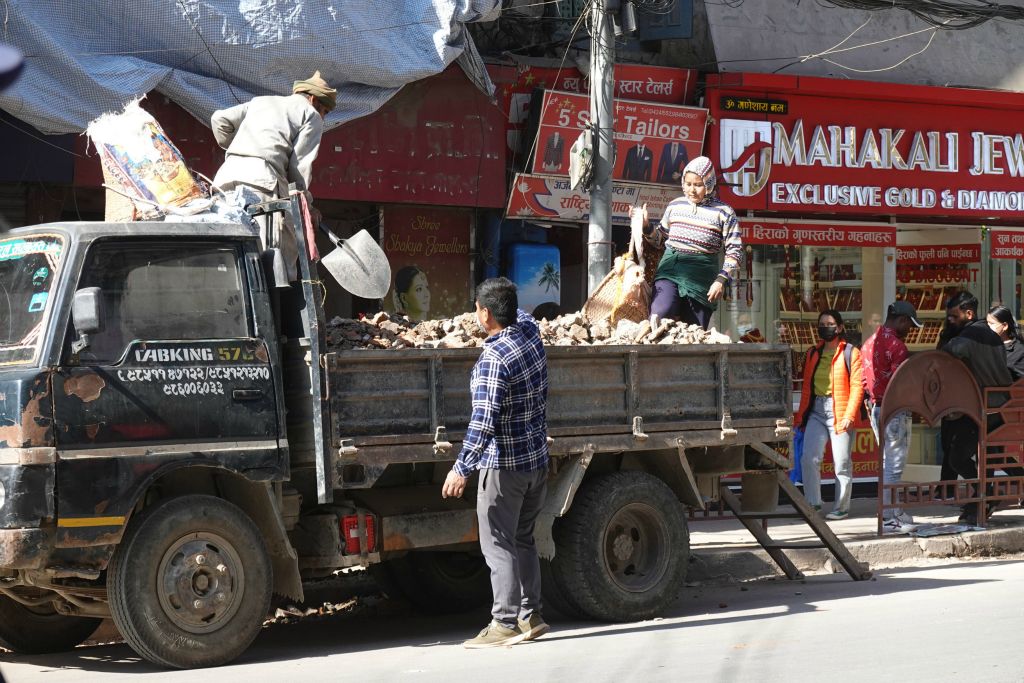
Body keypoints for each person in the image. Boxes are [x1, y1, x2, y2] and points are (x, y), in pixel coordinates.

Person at [441, 277, 550, 649]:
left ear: (485, 314)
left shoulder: (494, 359)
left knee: (498, 543)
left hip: (504, 468)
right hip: (536, 461)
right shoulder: (530, 332)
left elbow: (483, 422)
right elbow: (517, 312)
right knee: (523, 538)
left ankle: (503, 622)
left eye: (477, 309)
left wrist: (461, 468)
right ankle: (530, 614)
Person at [211, 71, 337, 280]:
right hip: (262, 185)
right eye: (324, 111)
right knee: (271, 261)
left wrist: (237, 147)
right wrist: (308, 206)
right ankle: (274, 310)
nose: (323, 117)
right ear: (313, 100)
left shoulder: (261, 102)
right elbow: (299, 170)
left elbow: (219, 119)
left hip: (225, 180)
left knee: (229, 253)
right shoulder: (310, 114)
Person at [631, 156, 743, 331]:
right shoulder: (675, 206)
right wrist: (646, 227)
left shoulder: (725, 212)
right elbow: (660, 240)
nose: (692, 190)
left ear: (709, 184)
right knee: (660, 314)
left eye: (698, 185)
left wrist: (721, 280)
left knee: (694, 331)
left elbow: (735, 251)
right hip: (670, 268)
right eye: (688, 184)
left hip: (701, 278)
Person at [939, 291, 1012, 525]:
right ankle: (981, 500)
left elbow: (945, 354)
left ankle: (983, 494)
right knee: (989, 459)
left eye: (953, 316)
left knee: (957, 458)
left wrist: (947, 335)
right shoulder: (990, 335)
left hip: (979, 409)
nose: (950, 320)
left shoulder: (969, 336)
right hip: (999, 407)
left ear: (969, 313)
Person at [794, 310, 864, 521]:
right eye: (822, 324)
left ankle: (841, 507)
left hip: (840, 410)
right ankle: (813, 504)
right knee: (809, 458)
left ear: (840, 327)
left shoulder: (851, 352)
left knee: (842, 462)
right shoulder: (812, 353)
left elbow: (857, 387)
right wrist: (801, 417)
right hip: (816, 410)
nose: (826, 327)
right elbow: (807, 388)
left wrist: (849, 415)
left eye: (830, 323)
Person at [861, 300, 923, 532]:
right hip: (895, 408)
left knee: (885, 462)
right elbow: (902, 382)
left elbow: (864, 380)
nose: (910, 331)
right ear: (902, 320)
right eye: (910, 325)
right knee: (894, 465)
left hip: (876, 407)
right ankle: (889, 517)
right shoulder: (897, 346)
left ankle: (892, 510)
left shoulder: (868, 342)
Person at [986, 305, 1024, 380]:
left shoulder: (1020, 351)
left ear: (1005, 326)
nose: (987, 326)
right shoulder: (984, 344)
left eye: (991, 323)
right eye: (986, 323)